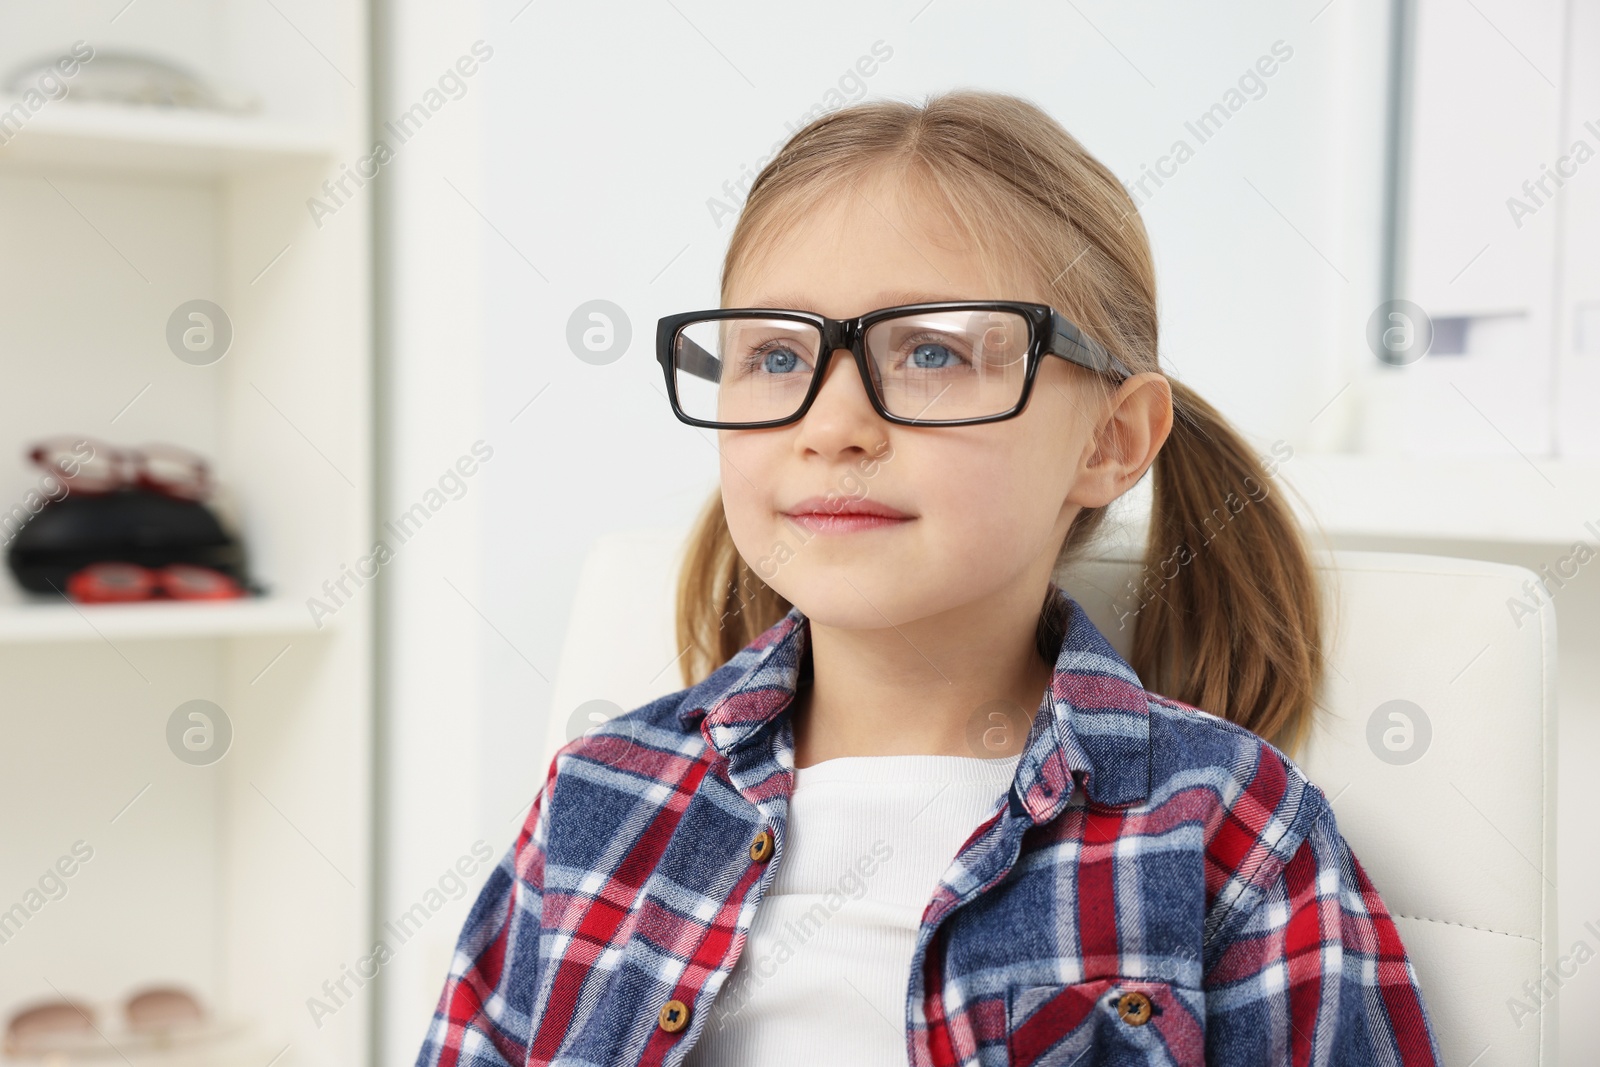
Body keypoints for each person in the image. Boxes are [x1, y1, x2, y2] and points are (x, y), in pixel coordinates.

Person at [415, 89, 1444, 1066]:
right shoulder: (601, 797)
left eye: (935, 354)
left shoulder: (1228, 829)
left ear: (1110, 438)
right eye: (776, 357)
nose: (832, 426)